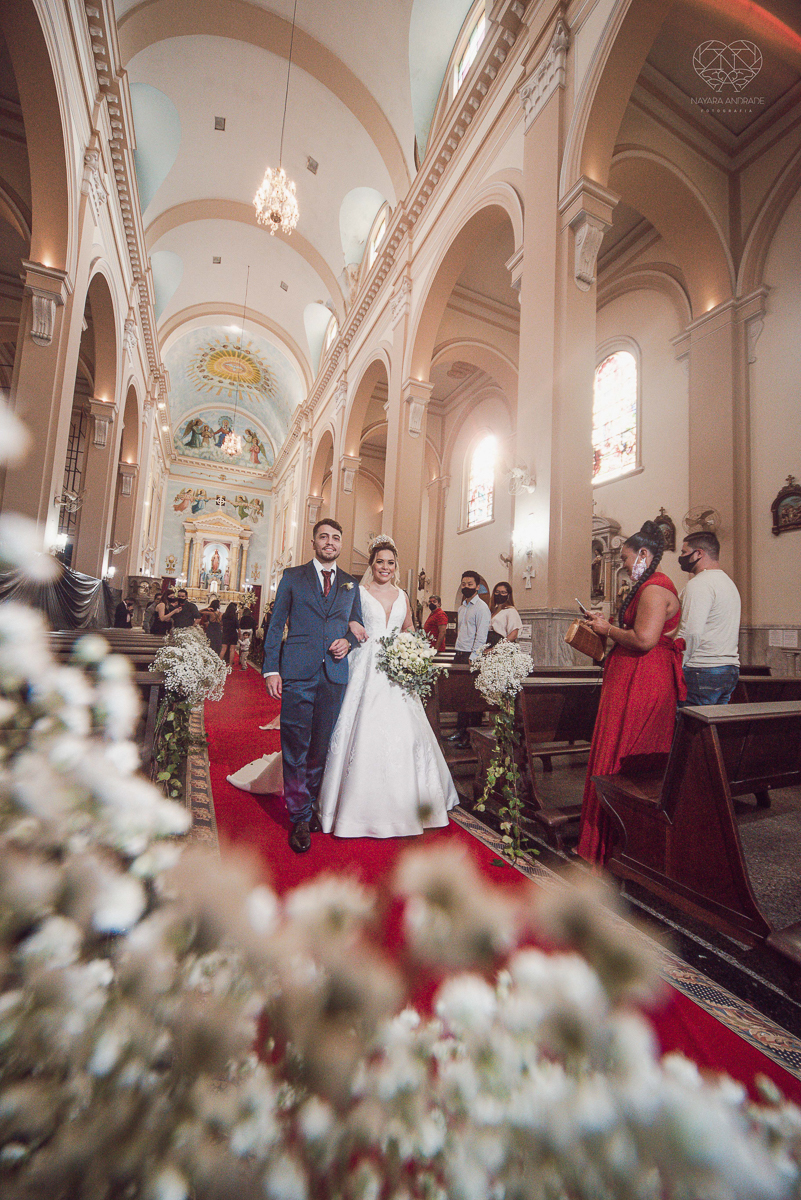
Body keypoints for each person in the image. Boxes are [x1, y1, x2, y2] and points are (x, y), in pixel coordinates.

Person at [318, 535, 458, 838]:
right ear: (372, 564)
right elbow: (343, 619)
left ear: (396, 567)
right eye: (380, 562)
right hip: (364, 662)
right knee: (359, 724)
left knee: (405, 731)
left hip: (396, 666)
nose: (385, 567)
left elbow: (408, 626)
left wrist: (412, 649)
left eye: (390, 563)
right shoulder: (357, 590)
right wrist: (352, 626)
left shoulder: (402, 594)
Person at [576, 520, 686, 865]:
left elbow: (644, 639)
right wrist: (606, 626)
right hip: (632, 678)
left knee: (624, 754)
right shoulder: (646, 586)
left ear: (643, 554)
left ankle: (617, 847)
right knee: (615, 750)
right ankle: (606, 843)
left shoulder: (655, 588)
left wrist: (608, 629)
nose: (622, 565)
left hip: (642, 682)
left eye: (625, 558)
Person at [262, 518, 365, 854]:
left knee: (320, 746)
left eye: (336, 537)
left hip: (333, 674)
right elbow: (276, 625)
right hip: (297, 671)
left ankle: (311, 802)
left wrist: (348, 641)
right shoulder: (293, 577)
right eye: (324, 536)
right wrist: (271, 670)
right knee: (295, 744)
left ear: (340, 543)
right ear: (314, 542)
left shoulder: (351, 583)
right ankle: (299, 815)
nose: (330, 542)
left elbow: (358, 626)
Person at [676, 531, 741, 706]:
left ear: (698, 553)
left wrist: (679, 665)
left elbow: (692, 632)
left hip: (702, 669)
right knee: (711, 730)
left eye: (683, 552)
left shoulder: (699, 584)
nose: (681, 557)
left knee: (689, 729)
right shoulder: (728, 582)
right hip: (729, 669)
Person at [447, 570, 491, 749]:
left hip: (473, 656)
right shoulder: (462, 607)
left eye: (470, 584)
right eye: (463, 584)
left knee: (472, 698)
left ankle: (471, 736)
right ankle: (460, 730)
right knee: (460, 695)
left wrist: (474, 657)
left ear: (477, 587)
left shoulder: (482, 608)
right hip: (460, 653)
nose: (466, 587)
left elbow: (481, 637)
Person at [487, 582, 522, 647]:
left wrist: (499, 647)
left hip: (501, 645)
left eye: (503, 592)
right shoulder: (492, 611)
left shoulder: (510, 610)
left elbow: (513, 634)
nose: (499, 594)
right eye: (497, 592)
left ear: (508, 595)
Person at [238, 603, 256, 670]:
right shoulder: (251, 618)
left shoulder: (242, 618)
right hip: (249, 631)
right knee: (247, 643)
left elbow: (239, 624)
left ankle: (241, 658)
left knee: (241, 644)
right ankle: (245, 657)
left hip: (243, 631)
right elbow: (255, 625)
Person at [221, 601, 239, 666]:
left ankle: (219, 664)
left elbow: (221, 624)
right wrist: (239, 636)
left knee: (223, 649)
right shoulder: (234, 617)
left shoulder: (224, 616)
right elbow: (238, 627)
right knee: (232, 650)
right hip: (233, 634)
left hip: (225, 633)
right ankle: (230, 665)